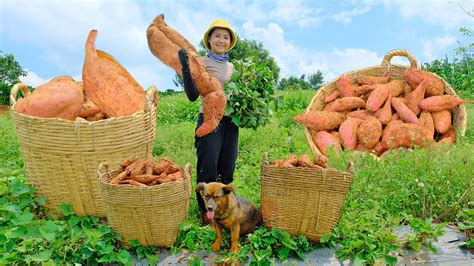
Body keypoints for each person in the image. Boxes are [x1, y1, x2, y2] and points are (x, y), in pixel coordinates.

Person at [177, 19, 238, 225]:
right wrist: (186, 68)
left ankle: (222, 207)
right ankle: (206, 212)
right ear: (209, 39)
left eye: (226, 37)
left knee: (227, 166)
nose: (221, 40)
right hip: (209, 121)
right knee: (208, 167)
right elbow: (193, 95)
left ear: (230, 42)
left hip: (230, 123)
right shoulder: (200, 62)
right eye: (217, 36)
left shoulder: (232, 68)